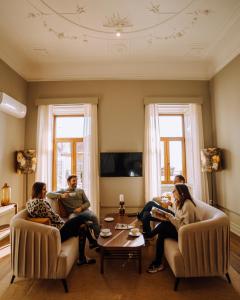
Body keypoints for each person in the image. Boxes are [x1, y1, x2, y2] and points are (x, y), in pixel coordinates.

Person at [26, 182, 96, 266]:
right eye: (44, 189)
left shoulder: (29, 203)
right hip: (58, 232)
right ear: (38, 191)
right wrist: (65, 222)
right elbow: (53, 218)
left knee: (83, 226)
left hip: (56, 229)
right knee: (82, 217)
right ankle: (91, 242)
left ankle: (82, 257)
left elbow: (50, 217)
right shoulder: (41, 203)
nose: (46, 191)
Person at [147, 184, 199, 273]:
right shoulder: (180, 203)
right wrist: (167, 216)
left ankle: (148, 235)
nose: (172, 192)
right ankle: (158, 262)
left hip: (185, 235)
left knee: (164, 226)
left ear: (181, 192)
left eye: (174, 190)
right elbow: (177, 218)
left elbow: (185, 227)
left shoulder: (188, 205)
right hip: (179, 230)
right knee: (162, 234)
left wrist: (170, 217)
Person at [47, 175, 100, 248]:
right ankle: (87, 241)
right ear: (68, 182)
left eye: (76, 181)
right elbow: (48, 194)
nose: (75, 182)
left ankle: (98, 241)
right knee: (72, 223)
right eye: (73, 181)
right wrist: (61, 196)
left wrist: (81, 208)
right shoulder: (63, 191)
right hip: (73, 213)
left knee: (94, 217)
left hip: (84, 211)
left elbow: (88, 203)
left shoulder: (80, 191)